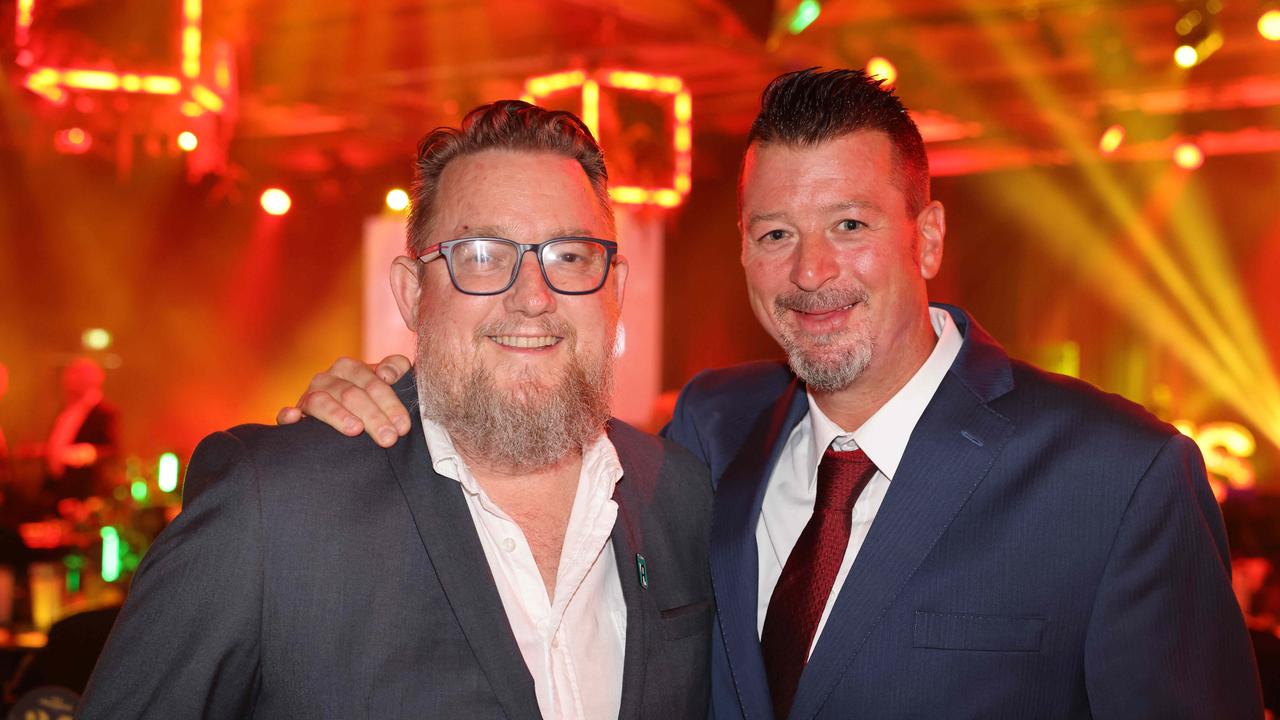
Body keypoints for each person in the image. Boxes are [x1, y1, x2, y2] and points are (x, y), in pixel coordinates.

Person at [284, 69, 1261, 718]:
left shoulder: (1115, 477)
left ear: (923, 238)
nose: (808, 273)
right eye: (773, 234)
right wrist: (392, 400)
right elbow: (521, 434)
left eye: (847, 224)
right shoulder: (710, 428)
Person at [81, 100, 713, 719]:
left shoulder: (680, 493)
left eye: (568, 256)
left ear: (616, 290)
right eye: (482, 257)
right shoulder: (273, 508)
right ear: (412, 295)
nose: (533, 298)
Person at [44, 357, 118, 500]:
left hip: (85, 491)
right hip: (58, 489)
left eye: (75, 375)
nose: (67, 380)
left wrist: (87, 453)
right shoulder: (66, 409)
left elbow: (112, 450)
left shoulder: (104, 413)